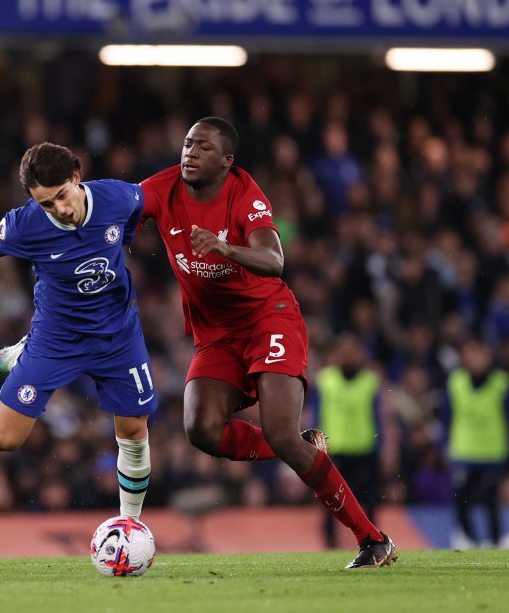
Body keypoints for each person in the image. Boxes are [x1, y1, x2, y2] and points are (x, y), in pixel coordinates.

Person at [139, 116, 396, 568]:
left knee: (280, 433)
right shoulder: (161, 188)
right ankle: (294, 443)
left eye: (202, 147)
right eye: (187, 144)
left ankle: (372, 539)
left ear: (226, 161)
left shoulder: (244, 193)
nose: (190, 153)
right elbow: (114, 206)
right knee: (200, 429)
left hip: (268, 319)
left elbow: (274, 260)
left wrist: (224, 248)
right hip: (217, 336)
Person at [0, 142, 155, 520]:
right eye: (47, 203)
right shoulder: (26, 223)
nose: (60, 210)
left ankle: (129, 524)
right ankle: (23, 352)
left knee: (134, 432)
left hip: (117, 333)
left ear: (76, 177)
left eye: (62, 196)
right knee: (2, 440)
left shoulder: (117, 196)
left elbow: (140, 210)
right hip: (57, 337)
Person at [307, 333, 386, 549]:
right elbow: (316, 415)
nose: (349, 355)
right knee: (331, 501)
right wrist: (315, 446)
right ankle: (330, 542)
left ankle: (371, 541)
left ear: (361, 354)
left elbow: (379, 417)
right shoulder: (324, 381)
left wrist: (383, 446)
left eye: (353, 351)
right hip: (336, 451)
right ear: (336, 353)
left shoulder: (371, 381)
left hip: (364, 450)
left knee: (369, 501)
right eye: (345, 350)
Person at [442, 337, 509, 548]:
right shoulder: (455, 382)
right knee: (461, 502)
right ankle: (469, 540)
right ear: (463, 357)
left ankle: (496, 542)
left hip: (493, 454)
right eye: (470, 354)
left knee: (491, 503)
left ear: (488, 356)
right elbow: (446, 419)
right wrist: (444, 446)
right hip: (464, 454)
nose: (475, 359)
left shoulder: (501, 382)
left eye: (479, 353)